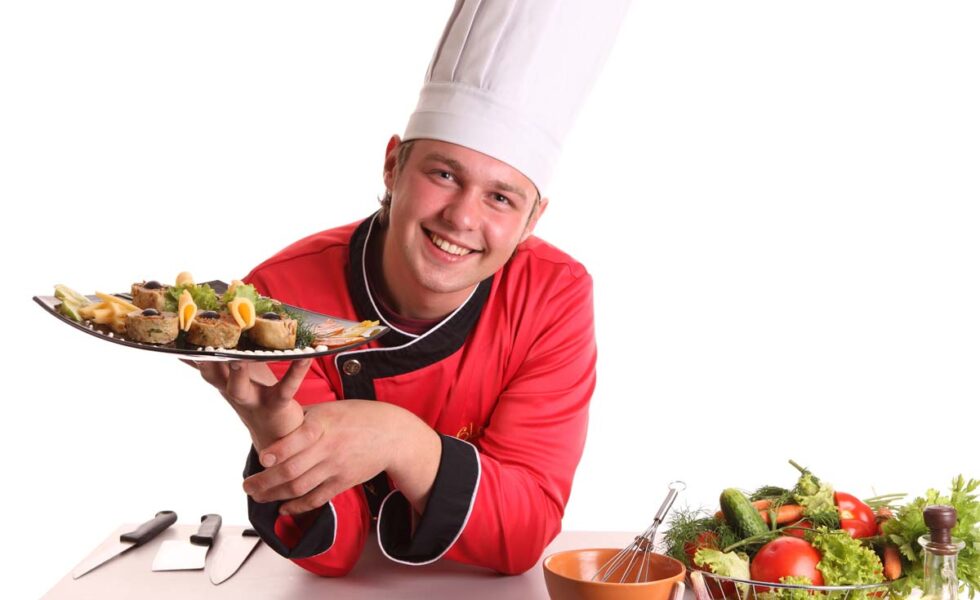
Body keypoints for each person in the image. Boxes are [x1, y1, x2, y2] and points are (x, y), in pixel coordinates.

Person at [194, 0, 629, 576]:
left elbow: (523, 535)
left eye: (500, 197)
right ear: (393, 166)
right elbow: (337, 555)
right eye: (444, 174)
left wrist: (401, 440)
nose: (462, 217)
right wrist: (274, 425)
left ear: (532, 220)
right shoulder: (280, 297)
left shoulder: (551, 296)